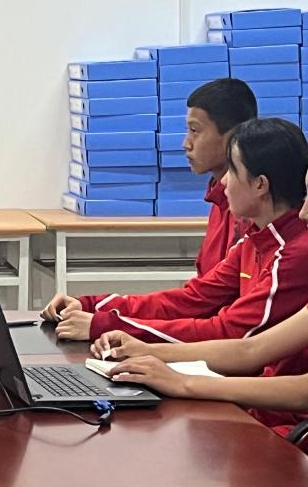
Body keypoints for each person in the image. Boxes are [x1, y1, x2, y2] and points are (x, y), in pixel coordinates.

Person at [91, 157, 308, 443]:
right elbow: (251, 349)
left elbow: (303, 391)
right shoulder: (253, 239)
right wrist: (148, 350)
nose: (303, 213)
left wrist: (184, 382)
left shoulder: (294, 252)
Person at [40, 118, 308, 344]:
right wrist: (91, 305)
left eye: (233, 170)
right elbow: (192, 299)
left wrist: (107, 326)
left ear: (260, 184)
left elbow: (229, 332)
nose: (224, 181)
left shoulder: (293, 254)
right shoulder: (255, 240)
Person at [184, 79, 258, 275]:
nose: (186, 144)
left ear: (233, 135)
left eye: (195, 131)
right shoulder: (218, 198)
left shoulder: (251, 209)